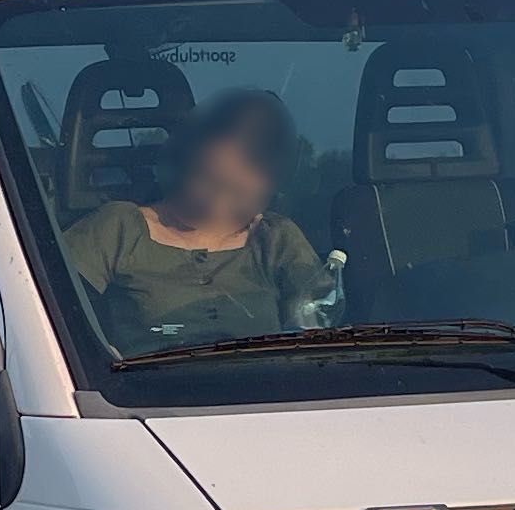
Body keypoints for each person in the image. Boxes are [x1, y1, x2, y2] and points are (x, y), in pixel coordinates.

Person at [62, 89, 337, 349]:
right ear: (183, 159)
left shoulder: (276, 240)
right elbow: (46, 315)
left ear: (271, 191)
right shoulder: (117, 228)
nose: (215, 206)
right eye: (205, 180)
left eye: (239, 194)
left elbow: (320, 332)